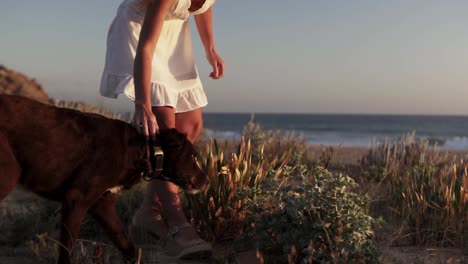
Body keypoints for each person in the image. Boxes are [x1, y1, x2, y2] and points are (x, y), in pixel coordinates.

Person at [99, 0, 225, 260]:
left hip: (175, 37)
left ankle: (148, 213)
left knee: (191, 124)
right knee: (166, 131)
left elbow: (205, 8)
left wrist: (209, 47)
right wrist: (142, 103)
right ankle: (177, 225)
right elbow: (145, 49)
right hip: (140, 34)